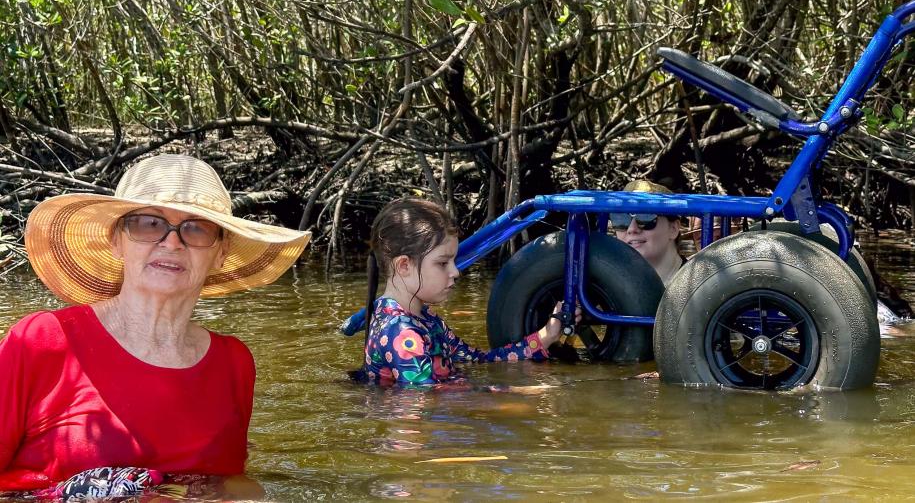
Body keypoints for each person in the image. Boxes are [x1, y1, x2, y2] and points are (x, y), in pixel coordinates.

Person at [0, 154, 311, 494]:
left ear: (221, 253)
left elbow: (232, 484)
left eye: (196, 228)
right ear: (116, 240)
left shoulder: (234, 361)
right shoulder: (41, 341)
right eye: (149, 224)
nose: (172, 242)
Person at [361, 197, 577, 385]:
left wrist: (546, 336)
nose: (455, 272)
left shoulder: (424, 319)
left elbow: (479, 361)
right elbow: (425, 402)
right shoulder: (401, 333)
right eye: (443, 263)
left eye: (453, 261)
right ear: (404, 266)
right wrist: (510, 395)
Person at [611, 179, 685, 286]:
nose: (632, 229)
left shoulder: (701, 285)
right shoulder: (609, 287)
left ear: (673, 228)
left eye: (645, 217)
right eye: (622, 219)